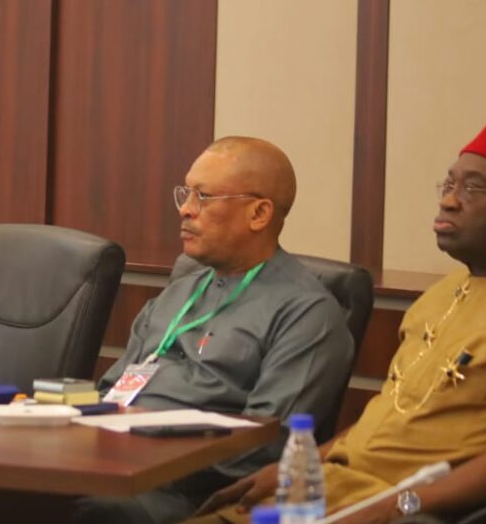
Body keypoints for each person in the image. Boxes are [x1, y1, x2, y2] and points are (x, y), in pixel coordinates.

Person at [192, 119, 486, 524]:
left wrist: (394, 508)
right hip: (329, 489)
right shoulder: (444, 292)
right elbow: (388, 421)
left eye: (473, 189)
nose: (449, 201)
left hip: (405, 509)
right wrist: (295, 466)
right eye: (449, 185)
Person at [76, 137, 353, 524]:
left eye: (203, 197)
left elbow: (267, 442)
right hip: (110, 465)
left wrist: (144, 460)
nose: (186, 209)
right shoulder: (178, 293)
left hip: (188, 493)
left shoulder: (307, 314)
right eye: (186, 194)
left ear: (258, 214)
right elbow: (109, 392)